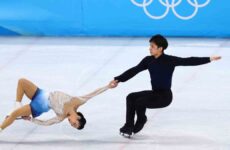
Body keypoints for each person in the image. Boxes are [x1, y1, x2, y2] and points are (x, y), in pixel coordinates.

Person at [109, 34, 221, 137]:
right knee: (131, 97)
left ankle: (141, 120)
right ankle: (128, 126)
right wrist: (118, 79)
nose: (150, 48)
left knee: (139, 102)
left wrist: (209, 59)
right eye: (150, 46)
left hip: (164, 97)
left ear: (160, 48)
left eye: (152, 46)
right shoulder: (148, 60)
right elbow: (134, 70)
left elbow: (189, 61)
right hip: (154, 93)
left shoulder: (169, 60)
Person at [0, 78, 113, 132]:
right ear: (78, 117)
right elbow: (93, 94)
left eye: (72, 126)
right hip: (41, 93)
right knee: (21, 82)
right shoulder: (78, 101)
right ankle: (17, 105)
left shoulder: (61, 116)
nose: (71, 124)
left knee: (14, 114)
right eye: (74, 123)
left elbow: (46, 123)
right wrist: (108, 86)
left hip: (38, 106)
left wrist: (30, 119)